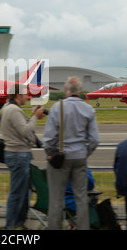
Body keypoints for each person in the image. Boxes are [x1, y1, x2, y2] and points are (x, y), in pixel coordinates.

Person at [43, 76, 100, 230]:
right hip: (80, 157)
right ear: (80, 90)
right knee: (81, 198)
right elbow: (94, 139)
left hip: (60, 158)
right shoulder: (88, 109)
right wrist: (85, 153)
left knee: (56, 199)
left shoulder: (57, 107)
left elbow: (48, 138)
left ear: (65, 90)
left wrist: (49, 152)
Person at [0, 83, 46, 230]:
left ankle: (18, 222)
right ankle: (10, 226)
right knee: (17, 193)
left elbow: (20, 129)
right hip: (18, 154)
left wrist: (32, 116)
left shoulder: (8, 107)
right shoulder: (14, 110)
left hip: (16, 153)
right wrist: (35, 118)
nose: (28, 96)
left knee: (23, 191)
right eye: (26, 94)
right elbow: (25, 131)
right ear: (18, 95)